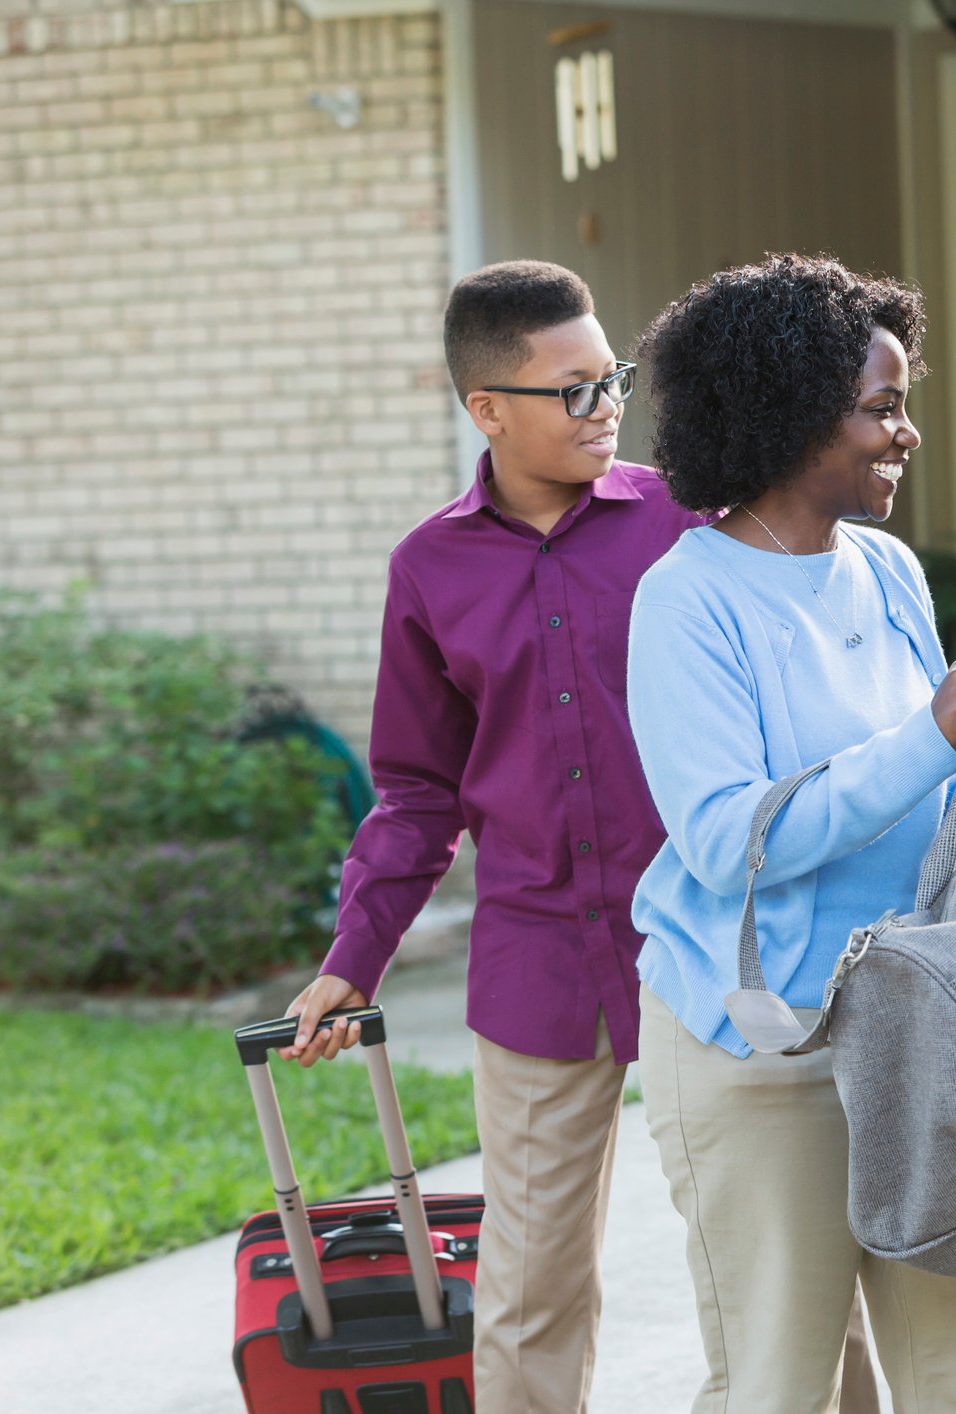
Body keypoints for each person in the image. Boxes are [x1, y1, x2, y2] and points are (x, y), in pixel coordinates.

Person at [276, 260, 701, 1413]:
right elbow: (416, 791)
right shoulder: (429, 568)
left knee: (764, 1271)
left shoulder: (688, 518)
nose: (605, 404)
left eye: (610, 377)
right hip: (537, 963)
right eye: (571, 389)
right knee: (528, 1290)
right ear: (487, 408)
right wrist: (348, 959)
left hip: (709, 945)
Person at [624, 253, 956, 1413]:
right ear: (793, 414)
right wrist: (929, 730)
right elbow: (723, 839)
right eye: (882, 408)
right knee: (778, 1382)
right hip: (763, 1051)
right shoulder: (688, 599)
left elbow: (931, 792)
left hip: (917, 1032)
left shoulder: (888, 568)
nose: (906, 433)